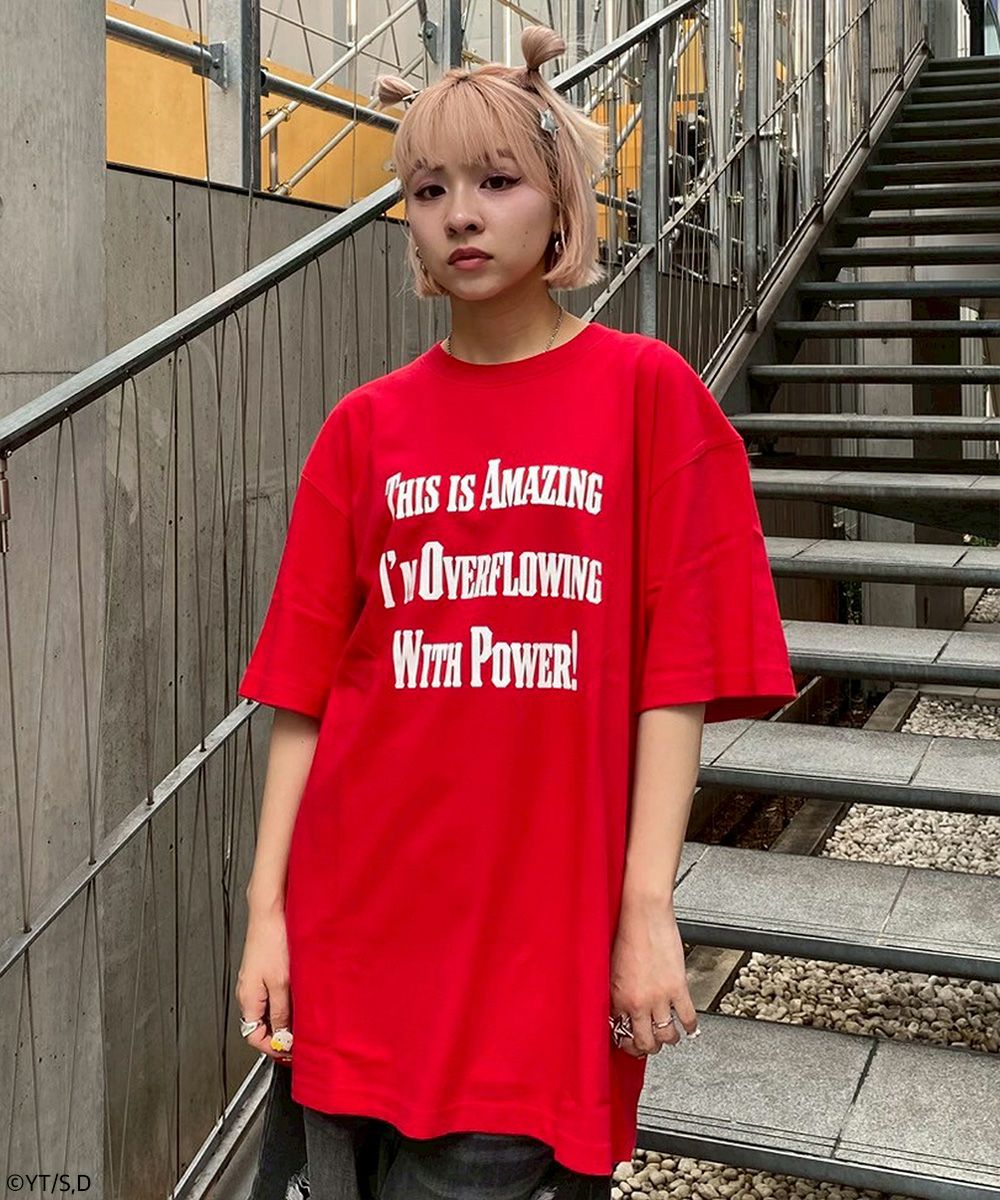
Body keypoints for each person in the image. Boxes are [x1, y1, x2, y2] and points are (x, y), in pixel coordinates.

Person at [235, 21, 798, 1200]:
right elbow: (301, 693)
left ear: (560, 203)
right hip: (353, 942)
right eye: (429, 189)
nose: (461, 216)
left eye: (496, 182)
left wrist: (646, 909)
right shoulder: (362, 430)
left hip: (531, 962)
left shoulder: (647, 399)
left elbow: (675, 678)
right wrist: (265, 911)